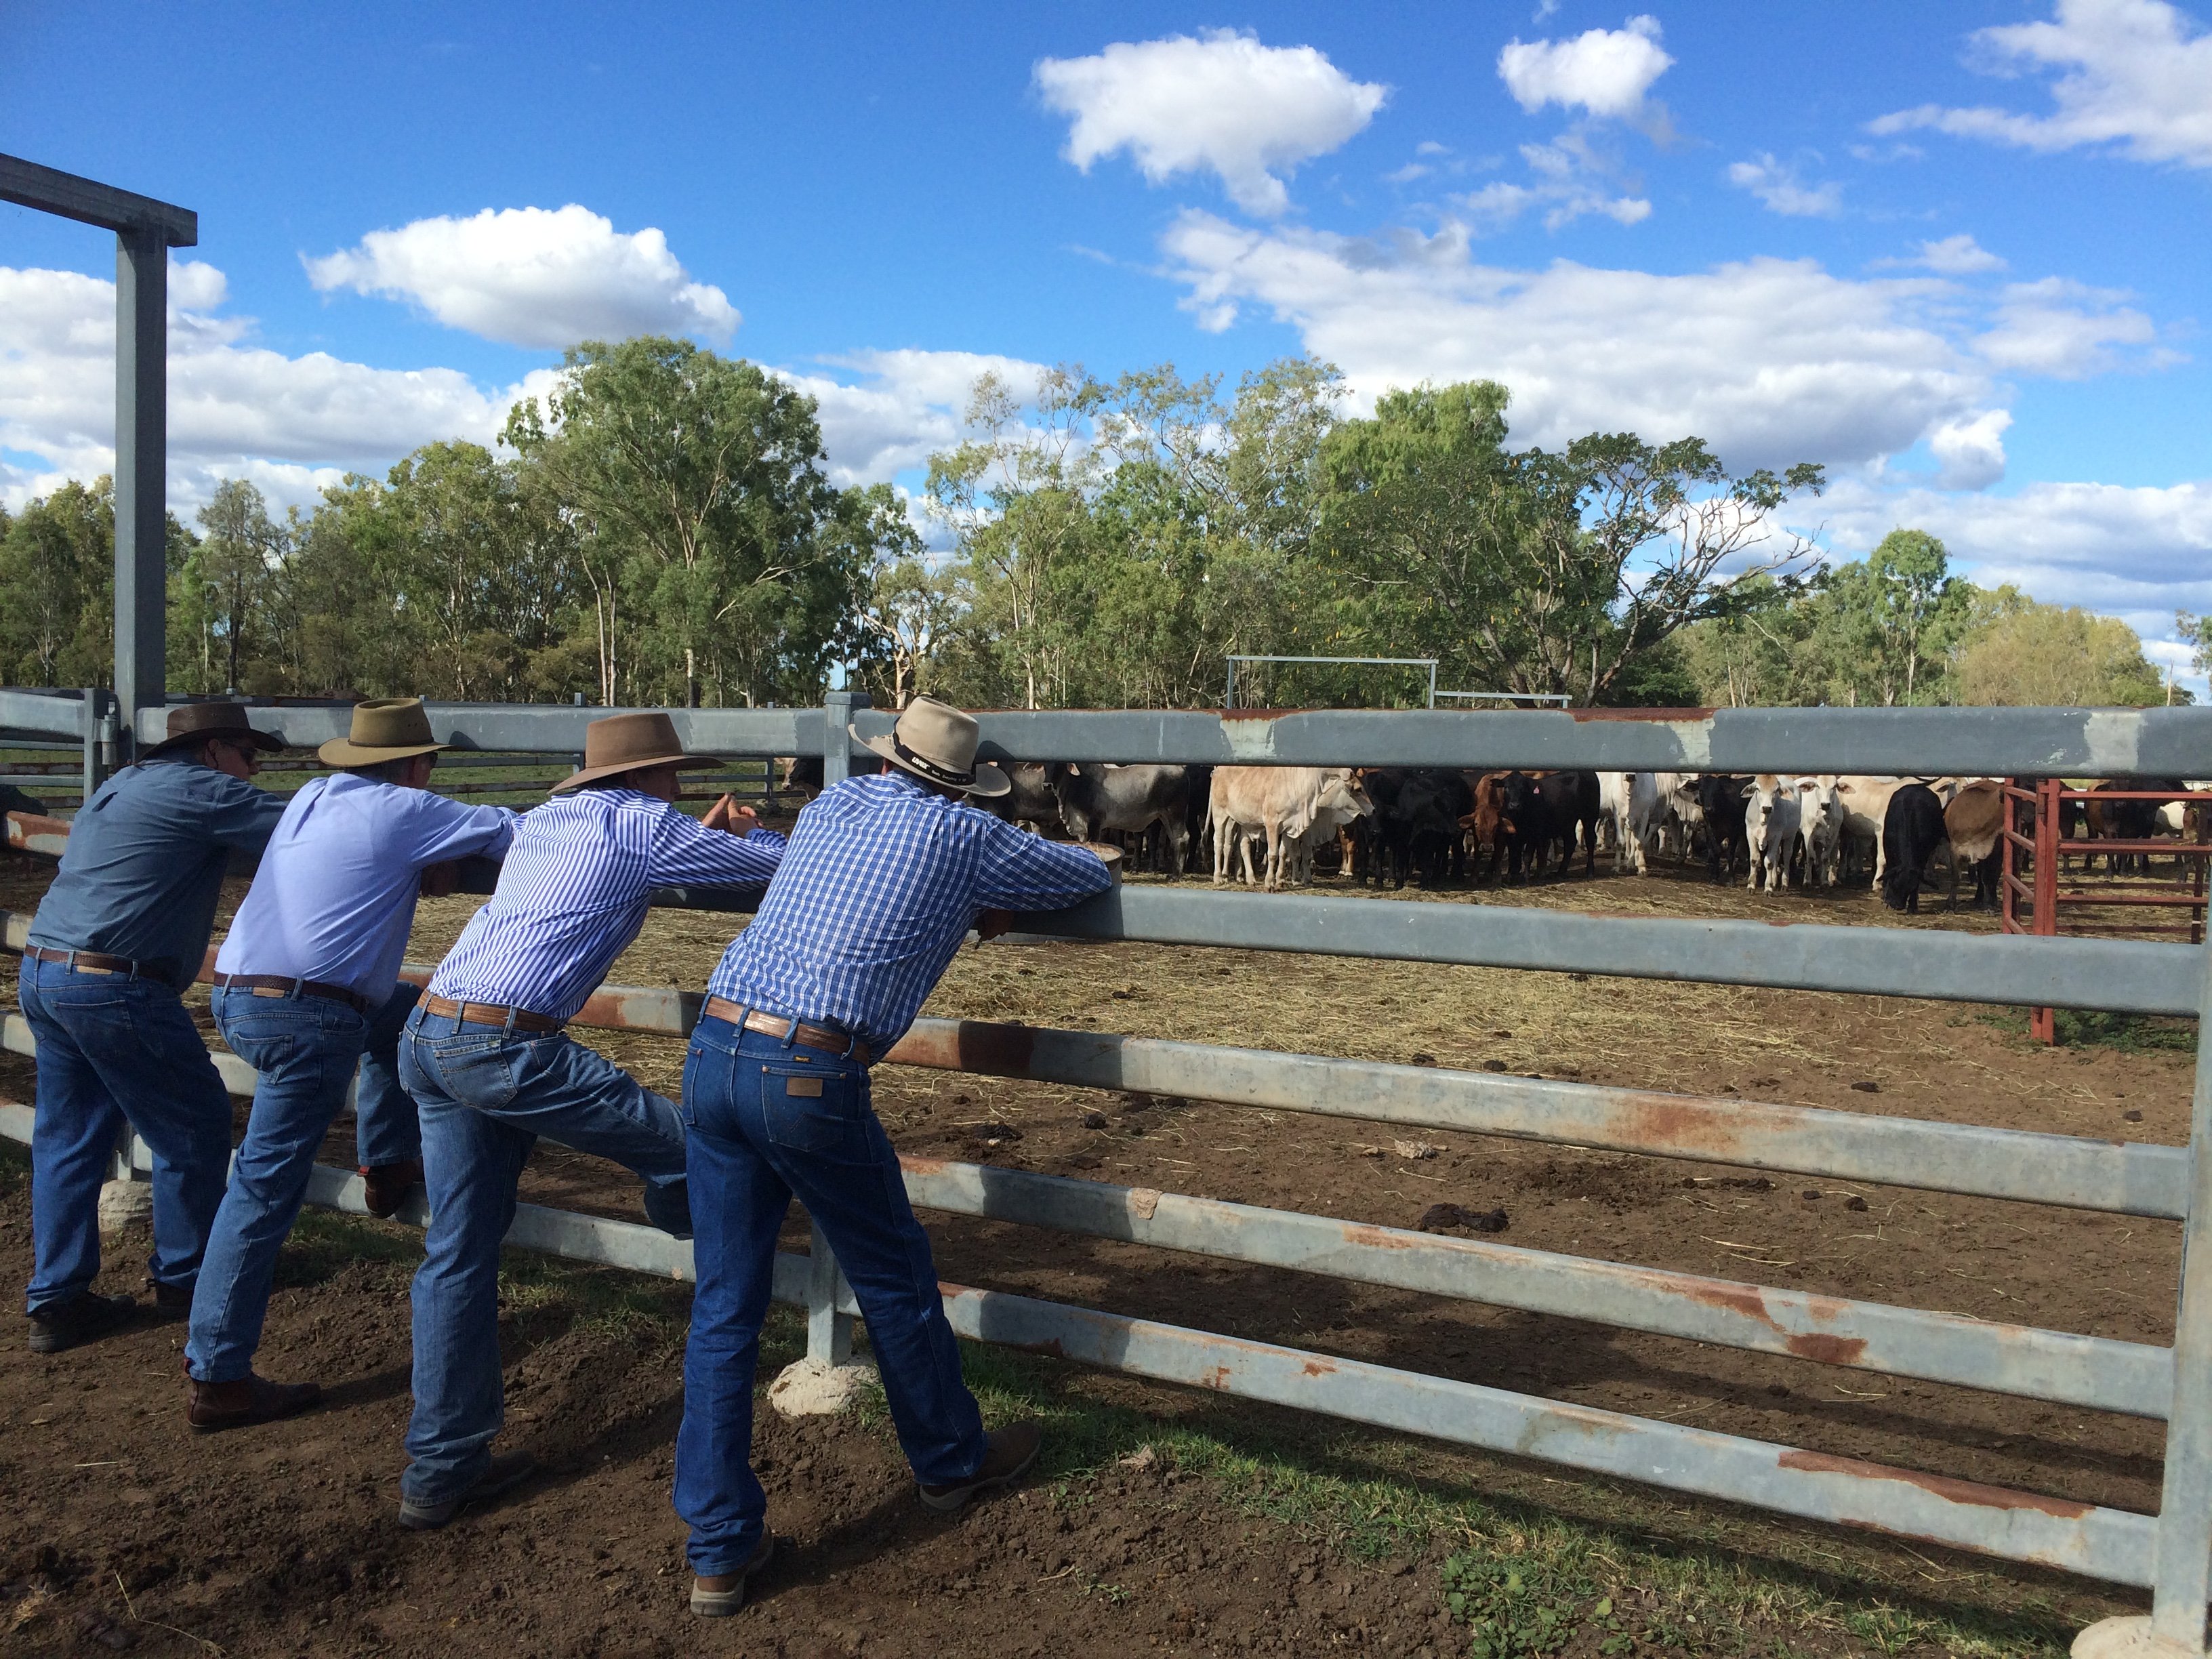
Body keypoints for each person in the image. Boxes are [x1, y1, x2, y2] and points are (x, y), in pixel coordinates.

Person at [674, 696, 1115, 1617]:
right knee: (893, 1272)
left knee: (724, 1301)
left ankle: (716, 1548)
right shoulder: (966, 836)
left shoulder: (831, 808)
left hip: (715, 1048)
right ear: (963, 784)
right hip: (808, 1071)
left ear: (886, 760)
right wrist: (1067, 865)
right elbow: (1074, 875)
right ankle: (951, 1462)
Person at [395, 711, 786, 1530]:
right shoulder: (646, 824)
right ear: (648, 777)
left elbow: (603, 861)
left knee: (457, 1253)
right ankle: (720, 1280)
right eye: (673, 774)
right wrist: (754, 832)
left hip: (431, 1030)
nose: (679, 789)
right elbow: (776, 866)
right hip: (504, 1045)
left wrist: (694, 834)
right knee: (699, 1152)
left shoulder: (548, 819)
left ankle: (441, 1469)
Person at [182, 698, 520, 1430]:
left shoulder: (313, 796)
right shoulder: (403, 808)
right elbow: (517, 830)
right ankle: (218, 1374)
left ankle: (385, 1161)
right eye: (429, 764)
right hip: (309, 1016)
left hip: (243, 996)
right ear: (416, 765)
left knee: (405, 1012)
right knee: (264, 1187)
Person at [18, 702, 289, 1353]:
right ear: (213, 751)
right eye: (249, 757)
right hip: (114, 983)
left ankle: (57, 1300)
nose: (251, 773)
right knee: (192, 1122)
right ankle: (187, 1276)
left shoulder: (121, 785)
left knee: (69, 1137)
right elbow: (312, 831)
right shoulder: (207, 791)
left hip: (46, 969)